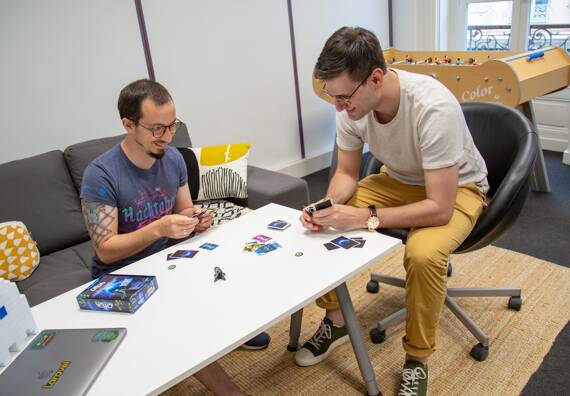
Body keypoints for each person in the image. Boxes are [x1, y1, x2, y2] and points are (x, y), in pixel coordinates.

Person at [295, 27, 489, 396]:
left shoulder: (433, 107)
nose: (338, 107)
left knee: (423, 253)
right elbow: (346, 174)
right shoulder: (348, 104)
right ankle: (335, 320)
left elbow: (439, 207)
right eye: (331, 96)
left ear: (376, 78)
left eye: (343, 97)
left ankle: (417, 360)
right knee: (322, 224)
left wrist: (365, 217)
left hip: (457, 189)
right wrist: (330, 205)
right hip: (399, 180)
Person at [80, 79, 269, 395]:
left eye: (172, 126)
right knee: (179, 324)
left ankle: (229, 333)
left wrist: (196, 221)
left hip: (168, 256)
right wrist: (159, 229)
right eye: (157, 129)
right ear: (128, 124)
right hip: (122, 274)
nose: (167, 137)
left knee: (232, 264)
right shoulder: (100, 175)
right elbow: (106, 251)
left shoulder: (173, 158)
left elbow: (184, 211)